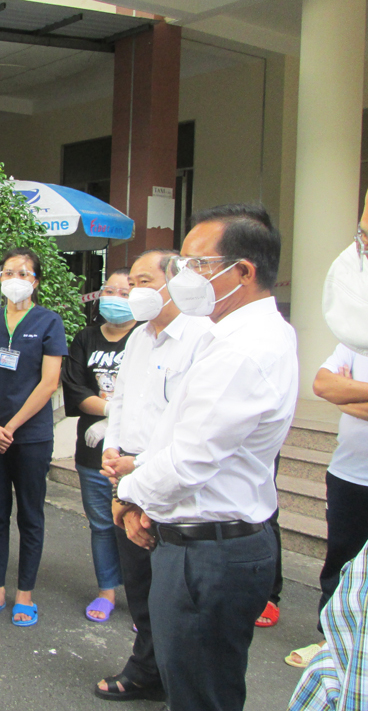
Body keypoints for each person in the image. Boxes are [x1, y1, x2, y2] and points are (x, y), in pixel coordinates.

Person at [107, 204, 297, 711]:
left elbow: (189, 460)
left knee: (200, 694)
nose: (184, 277)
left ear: (244, 272)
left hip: (208, 553)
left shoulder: (243, 349)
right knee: (200, 684)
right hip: (204, 541)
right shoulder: (233, 334)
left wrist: (128, 496)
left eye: (198, 264)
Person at [91, 249, 211, 702]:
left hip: (169, 475)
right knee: (139, 579)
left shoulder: (203, 337)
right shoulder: (141, 337)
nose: (135, 293)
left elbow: (192, 425)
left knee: (173, 590)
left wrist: (136, 467)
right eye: (131, 283)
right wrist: (112, 451)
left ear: (173, 282)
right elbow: (120, 401)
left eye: (143, 282)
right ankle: (150, 667)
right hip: (126, 469)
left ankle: (167, 671)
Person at [289, 195, 368, 709]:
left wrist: (354, 394)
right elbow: (322, 384)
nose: (360, 246)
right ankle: (329, 640)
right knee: (340, 563)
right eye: (362, 233)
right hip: (350, 471)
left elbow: (341, 390)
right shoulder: (355, 323)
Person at [0, 247, 67, 627]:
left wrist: (10, 427)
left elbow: (49, 383)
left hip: (30, 437)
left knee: (30, 514)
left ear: (36, 281)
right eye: (8, 272)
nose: (15, 278)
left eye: (24, 273)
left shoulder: (48, 321)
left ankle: (24, 594)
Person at [62, 268, 137, 623]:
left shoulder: (147, 337)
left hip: (136, 454)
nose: (115, 298)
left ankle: (144, 599)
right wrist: (112, 409)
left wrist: (118, 420)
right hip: (93, 451)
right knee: (102, 524)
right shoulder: (85, 338)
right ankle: (107, 590)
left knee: (139, 523)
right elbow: (76, 391)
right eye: (110, 290)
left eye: (125, 293)